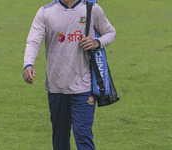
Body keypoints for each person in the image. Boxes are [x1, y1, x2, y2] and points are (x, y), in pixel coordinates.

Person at [23, 0, 116, 149]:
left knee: (83, 136)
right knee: (60, 139)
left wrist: (96, 42)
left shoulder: (92, 9)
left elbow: (110, 32)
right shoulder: (45, 11)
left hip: (84, 88)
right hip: (56, 87)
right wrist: (28, 64)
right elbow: (33, 41)